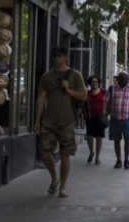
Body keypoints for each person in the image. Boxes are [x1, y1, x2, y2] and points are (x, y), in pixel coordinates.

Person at [34, 47, 87, 198]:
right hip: (49, 121)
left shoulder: (75, 75)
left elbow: (83, 96)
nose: (56, 58)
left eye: (59, 56)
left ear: (66, 57)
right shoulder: (47, 76)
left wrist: (68, 90)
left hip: (68, 121)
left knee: (65, 154)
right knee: (44, 152)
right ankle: (54, 177)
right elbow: (41, 98)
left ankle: (62, 187)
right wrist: (37, 120)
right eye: (54, 56)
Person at [104, 72, 129, 169]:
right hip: (115, 118)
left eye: (127, 80)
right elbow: (105, 101)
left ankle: (126, 160)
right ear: (119, 80)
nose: (126, 82)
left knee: (127, 139)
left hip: (127, 118)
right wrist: (106, 110)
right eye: (124, 80)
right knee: (117, 140)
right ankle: (119, 160)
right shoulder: (112, 89)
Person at [84, 75, 106, 165]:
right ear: (90, 83)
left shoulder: (104, 92)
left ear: (98, 83)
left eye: (96, 82)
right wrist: (82, 116)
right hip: (90, 117)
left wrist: (106, 112)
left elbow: (109, 102)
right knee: (89, 137)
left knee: (99, 138)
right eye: (93, 82)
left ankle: (97, 157)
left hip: (100, 118)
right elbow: (84, 105)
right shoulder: (87, 93)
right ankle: (91, 152)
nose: (94, 83)